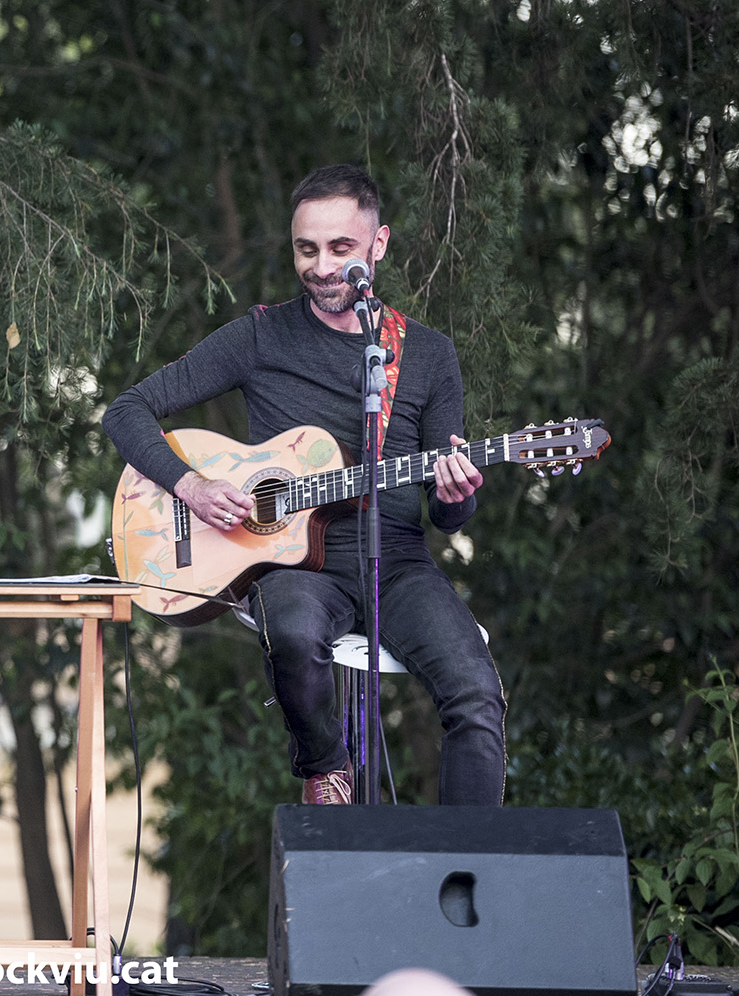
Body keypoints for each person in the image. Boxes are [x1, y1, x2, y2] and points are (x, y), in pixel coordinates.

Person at [102, 164, 504, 806]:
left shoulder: (428, 355)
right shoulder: (261, 336)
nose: (320, 267)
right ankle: (327, 767)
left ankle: (471, 861)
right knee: (291, 629)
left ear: (378, 244)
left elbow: (446, 514)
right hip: (294, 564)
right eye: (305, 249)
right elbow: (126, 411)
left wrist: (459, 495)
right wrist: (190, 486)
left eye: (341, 249)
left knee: (477, 698)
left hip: (398, 562)